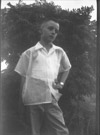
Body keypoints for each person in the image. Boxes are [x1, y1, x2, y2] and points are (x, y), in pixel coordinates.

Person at [14, 19, 71, 135]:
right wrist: (21, 102)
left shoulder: (59, 52)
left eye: (56, 30)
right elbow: (23, 78)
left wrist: (61, 84)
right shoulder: (29, 53)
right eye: (50, 28)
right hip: (32, 99)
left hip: (51, 97)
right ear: (41, 30)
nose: (54, 32)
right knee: (34, 131)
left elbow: (67, 68)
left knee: (61, 130)